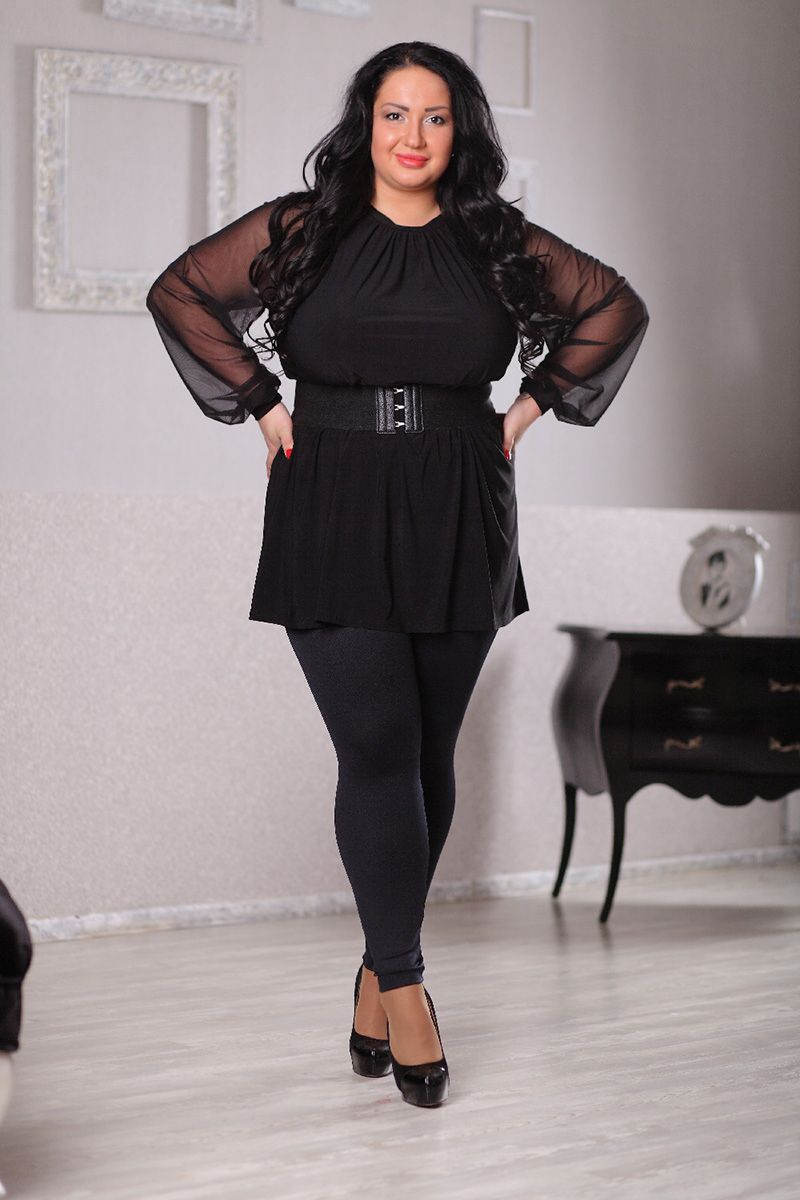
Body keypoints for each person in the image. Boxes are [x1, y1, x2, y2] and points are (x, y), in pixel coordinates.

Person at [145, 40, 650, 1108]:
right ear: (364, 124)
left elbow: (614, 306)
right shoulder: (302, 227)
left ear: (459, 132)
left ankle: (377, 969)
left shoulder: (495, 238)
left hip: (460, 499)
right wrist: (264, 406)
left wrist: (526, 409)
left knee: (425, 755)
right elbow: (181, 291)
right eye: (393, 114)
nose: (412, 136)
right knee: (374, 746)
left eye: (434, 117)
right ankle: (409, 987)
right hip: (331, 493)